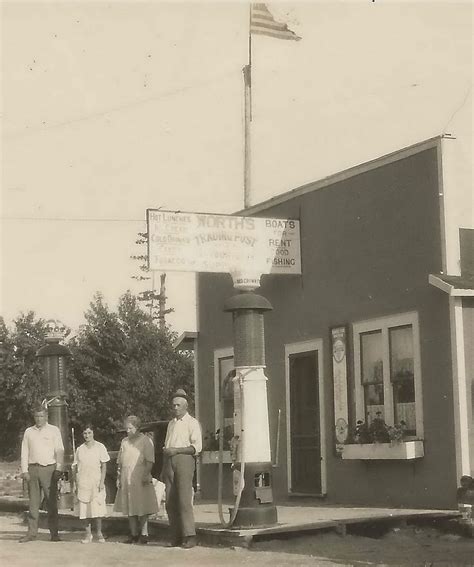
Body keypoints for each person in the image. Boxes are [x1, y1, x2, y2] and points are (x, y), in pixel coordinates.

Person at [162, 389, 202, 549]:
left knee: (184, 499)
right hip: (169, 460)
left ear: (185, 406)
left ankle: (190, 536)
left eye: (178, 405)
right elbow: (167, 445)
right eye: (173, 405)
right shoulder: (171, 423)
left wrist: (177, 451)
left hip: (184, 460)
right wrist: (165, 464)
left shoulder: (192, 423)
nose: (175, 408)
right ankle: (176, 536)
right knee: (170, 501)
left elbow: (196, 447)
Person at [19, 405, 64, 543]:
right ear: (34, 417)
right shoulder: (29, 432)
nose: (39, 419)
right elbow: (24, 451)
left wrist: (59, 468)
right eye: (37, 416)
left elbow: (60, 450)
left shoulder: (53, 430)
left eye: (41, 416)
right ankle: (31, 533)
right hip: (33, 469)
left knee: (51, 503)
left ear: (46, 417)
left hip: (49, 469)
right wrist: (24, 470)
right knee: (33, 503)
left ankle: (54, 534)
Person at [114, 415, 158, 543]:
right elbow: (120, 462)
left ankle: (144, 535)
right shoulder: (124, 442)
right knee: (130, 505)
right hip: (126, 477)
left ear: (137, 428)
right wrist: (118, 476)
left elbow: (150, 461)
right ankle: (133, 534)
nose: (128, 431)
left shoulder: (145, 441)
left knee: (142, 505)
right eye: (126, 428)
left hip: (141, 477)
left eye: (130, 428)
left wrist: (146, 474)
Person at [72, 424, 109, 543]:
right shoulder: (79, 449)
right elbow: (75, 467)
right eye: (85, 433)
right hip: (83, 481)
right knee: (84, 510)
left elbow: (104, 465)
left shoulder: (100, 447)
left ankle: (99, 533)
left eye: (89, 433)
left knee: (96, 509)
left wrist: (102, 481)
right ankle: (88, 534)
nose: (87, 436)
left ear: (93, 433)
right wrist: (75, 484)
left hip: (96, 481)